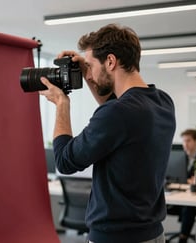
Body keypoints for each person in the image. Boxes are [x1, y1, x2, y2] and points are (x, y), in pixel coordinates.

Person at [39, 24, 176, 243]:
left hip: (115, 238)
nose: (90, 74)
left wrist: (61, 104)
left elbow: (65, 162)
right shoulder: (162, 101)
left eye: (91, 65)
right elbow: (116, 112)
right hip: (152, 233)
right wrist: (87, 73)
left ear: (110, 61)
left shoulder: (118, 113)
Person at [177, 129, 196, 243]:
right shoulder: (179, 156)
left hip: (195, 196)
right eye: (183, 141)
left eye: (188, 140)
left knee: (189, 208)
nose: (185, 144)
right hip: (178, 194)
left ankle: (183, 238)